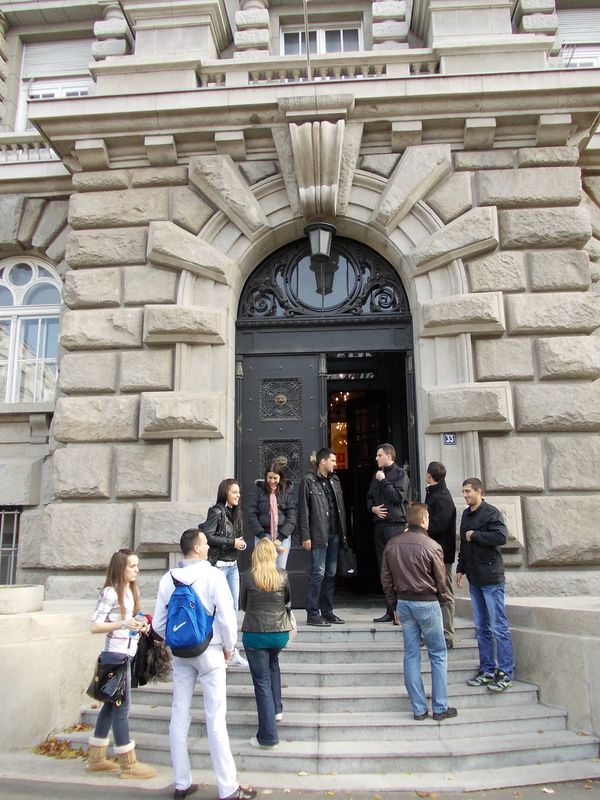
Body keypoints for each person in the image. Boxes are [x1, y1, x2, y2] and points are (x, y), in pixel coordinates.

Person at [152, 528, 257, 800]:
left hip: (181, 654)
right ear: (197, 548)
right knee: (216, 719)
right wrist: (229, 647)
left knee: (179, 713)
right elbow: (226, 616)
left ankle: (182, 782)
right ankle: (227, 787)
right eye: (205, 543)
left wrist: (176, 641)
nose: (209, 546)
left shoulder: (167, 579)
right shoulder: (213, 576)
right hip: (210, 651)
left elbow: (159, 624)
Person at [381, 503, 457, 722]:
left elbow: (386, 578)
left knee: (411, 654)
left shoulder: (392, 544)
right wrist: (442, 600)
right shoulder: (432, 545)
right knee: (438, 654)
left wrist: (393, 604)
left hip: (404, 603)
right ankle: (440, 707)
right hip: (427, 602)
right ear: (424, 520)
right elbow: (441, 580)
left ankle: (418, 709)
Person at [87, 548, 156, 778]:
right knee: (121, 707)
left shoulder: (131, 590)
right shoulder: (110, 592)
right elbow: (95, 625)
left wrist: (140, 625)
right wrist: (124, 624)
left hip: (127, 654)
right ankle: (128, 764)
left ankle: (96, 758)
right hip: (114, 657)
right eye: (132, 566)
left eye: (137, 566)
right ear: (120, 568)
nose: (137, 570)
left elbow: (130, 621)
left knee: (110, 704)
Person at [456, 478, 515, 693]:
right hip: (475, 578)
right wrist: (460, 568)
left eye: (468, 491)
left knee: (499, 626)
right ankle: (487, 669)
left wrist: (476, 535)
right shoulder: (465, 515)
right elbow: (464, 544)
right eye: (463, 492)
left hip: (491, 578)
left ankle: (506, 672)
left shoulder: (491, 513)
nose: (465, 495)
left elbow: (501, 537)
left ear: (479, 491)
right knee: (481, 627)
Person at [240, 537, 294, 749]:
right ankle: (277, 709)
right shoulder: (283, 575)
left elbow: (243, 605)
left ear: (255, 555)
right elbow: (287, 600)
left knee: (261, 683)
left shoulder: (248, 576)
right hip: (279, 633)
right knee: (273, 664)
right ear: (273, 555)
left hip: (255, 633)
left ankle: (268, 736)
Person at [298, 447, 347, 627]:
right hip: (319, 535)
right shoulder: (308, 480)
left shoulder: (335, 480)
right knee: (318, 573)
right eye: (332, 460)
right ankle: (312, 613)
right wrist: (305, 535)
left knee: (330, 574)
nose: (335, 464)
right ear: (323, 461)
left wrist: (343, 534)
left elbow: (339, 508)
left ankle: (328, 611)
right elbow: (303, 510)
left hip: (334, 534)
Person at [204, 478, 248, 667]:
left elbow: (234, 536)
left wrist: (240, 543)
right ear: (225, 493)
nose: (238, 495)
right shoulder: (216, 511)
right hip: (219, 566)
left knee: (233, 609)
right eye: (234, 492)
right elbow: (207, 536)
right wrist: (232, 543)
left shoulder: (236, 513)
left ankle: (231, 650)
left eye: (238, 492)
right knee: (219, 608)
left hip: (232, 565)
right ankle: (217, 648)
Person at [367, 443, 411, 623]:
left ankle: (401, 611)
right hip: (379, 525)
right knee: (383, 568)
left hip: (395, 525)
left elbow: (398, 497)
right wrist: (373, 509)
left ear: (389, 456)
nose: (376, 458)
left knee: (396, 567)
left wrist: (384, 481)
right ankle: (390, 609)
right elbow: (369, 497)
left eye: (379, 455)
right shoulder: (376, 475)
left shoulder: (400, 474)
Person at [424, 461, 457, 648]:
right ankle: (433, 632)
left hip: (441, 554)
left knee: (445, 593)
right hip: (432, 552)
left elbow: (440, 525)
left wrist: (421, 526)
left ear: (429, 475)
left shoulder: (442, 497)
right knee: (431, 593)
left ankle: (447, 634)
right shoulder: (434, 493)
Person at [247, 462, 297, 569]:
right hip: (263, 537)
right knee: (263, 571)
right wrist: (262, 536)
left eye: (275, 478)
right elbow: (252, 515)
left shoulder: (287, 492)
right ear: (266, 477)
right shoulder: (258, 491)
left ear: (280, 477)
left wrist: (280, 538)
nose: (272, 481)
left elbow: (292, 517)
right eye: (270, 478)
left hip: (281, 539)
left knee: (280, 571)